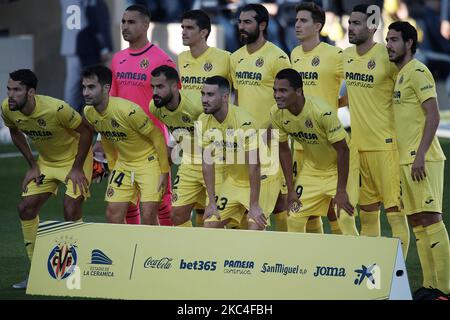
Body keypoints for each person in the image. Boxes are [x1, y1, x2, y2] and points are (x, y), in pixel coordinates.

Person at [2, 69, 93, 289]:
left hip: (74, 162)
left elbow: (87, 132)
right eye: (8, 89)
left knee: (70, 208)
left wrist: (78, 167)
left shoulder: (57, 109)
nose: (10, 94)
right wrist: (33, 165)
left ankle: (76, 272)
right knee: (25, 208)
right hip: (46, 163)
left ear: (31, 92)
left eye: (16, 90)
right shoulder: (8, 109)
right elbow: (14, 131)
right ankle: (36, 271)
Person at [386, 21, 449, 300]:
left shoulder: (418, 71)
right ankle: (429, 286)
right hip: (407, 161)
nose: (389, 44)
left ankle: (445, 289)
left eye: (395, 39)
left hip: (422, 159)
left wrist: (421, 154)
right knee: (418, 224)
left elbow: (433, 114)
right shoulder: (401, 74)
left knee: (432, 221)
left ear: (409, 43)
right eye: (387, 39)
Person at [343, 4, 410, 259]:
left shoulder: (387, 56)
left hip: (386, 148)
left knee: (395, 216)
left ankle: (396, 282)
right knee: (367, 216)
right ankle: (372, 278)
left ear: (372, 27)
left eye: (357, 23)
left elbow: (409, 88)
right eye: (350, 23)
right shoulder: (346, 56)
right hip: (358, 149)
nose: (351, 27)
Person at [107, 4, 177, 226]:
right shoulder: (117, 59)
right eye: (123, 22)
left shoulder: (161, 59)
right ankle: (132, 251)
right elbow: (112, 101)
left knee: (161, 203)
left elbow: (174, 103)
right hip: (125, 144)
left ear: (146, 25)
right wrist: (104, 139)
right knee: (125, 202)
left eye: (131, 22)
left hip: (153, 142)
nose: (125, 26)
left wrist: (172, 141)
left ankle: (168, 250)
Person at [271, 68, 359, 236]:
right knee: (294, 218)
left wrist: (340, 191)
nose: (277, 95)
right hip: (313, 168)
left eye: (283, 90)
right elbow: (283, 150)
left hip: (340, 166)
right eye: (275, 90)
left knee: (345, 217)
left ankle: (359, 262)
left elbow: (343, 151)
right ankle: (299, 261)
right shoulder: (276, 113)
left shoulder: (322, 112)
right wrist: (290, 190)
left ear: (298, 91)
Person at [82, 65, 169, 225]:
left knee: (148, 216)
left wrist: (164, 171)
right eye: (84, 87)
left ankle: (153, 250)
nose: (85, 92)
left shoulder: (128, 111)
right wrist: (113, 165)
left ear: (106, 88)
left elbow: (157, 136)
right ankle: (125, 250)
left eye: (91, 87)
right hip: (124, 165)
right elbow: (106, 136)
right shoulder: (89, 112)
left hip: (148, 163)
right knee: (112, 215)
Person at [230, 3, 291, 231]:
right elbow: (237, 98)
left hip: (271, 142)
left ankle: (285, 256)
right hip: (244, 143)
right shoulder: (235, 58)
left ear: (262, 25)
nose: (241, 27)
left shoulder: (278, 57)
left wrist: (269, 132)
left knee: (280, 204)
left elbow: (287, 102)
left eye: (247, 22)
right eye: (240, 22)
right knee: (247, 203)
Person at [290, 1, 345, 235]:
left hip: (326, 142)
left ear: (318, 26)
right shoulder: (294, 54)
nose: (297, 25)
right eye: (296, 20)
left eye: (303, 21)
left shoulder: (334, 55)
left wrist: (338, 104)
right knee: (305, 207)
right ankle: (314, 261)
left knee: (333, 208)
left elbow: (356, 86)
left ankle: (343, 254)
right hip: (300, 142)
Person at [149, 65, 226, 227]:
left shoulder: (197, 106)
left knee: (216, 219)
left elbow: (224, 125)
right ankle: (193, 251)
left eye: (160, 87)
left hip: (215, 163)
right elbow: (175, 130)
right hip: (189, 162)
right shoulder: (155, 107)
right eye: (153, 87)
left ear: (175, 87)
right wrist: (165, 170)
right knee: (176, 216)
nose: (155, 92)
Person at [199, 76, 276, 230]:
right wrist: (212, 203)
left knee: (254, 227)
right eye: (203, 94)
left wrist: (253, 205)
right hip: (235, 180)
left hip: (263, 178)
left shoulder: (243, 122)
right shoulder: (203, 120)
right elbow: (207, 163)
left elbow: (255, 165)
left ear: (225, 97)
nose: (204, 99)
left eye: (210, 95)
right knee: (209, 225)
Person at [177, 9, 231, 226]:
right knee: (181, 213)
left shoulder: (224, 58)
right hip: (190, 142)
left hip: (217, 143)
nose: (183, 32)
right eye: (182, 27)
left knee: (216, 212)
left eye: (189, 28)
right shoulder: (181, 59)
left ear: (204, 32)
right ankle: (193, 254)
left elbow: (236, 94)